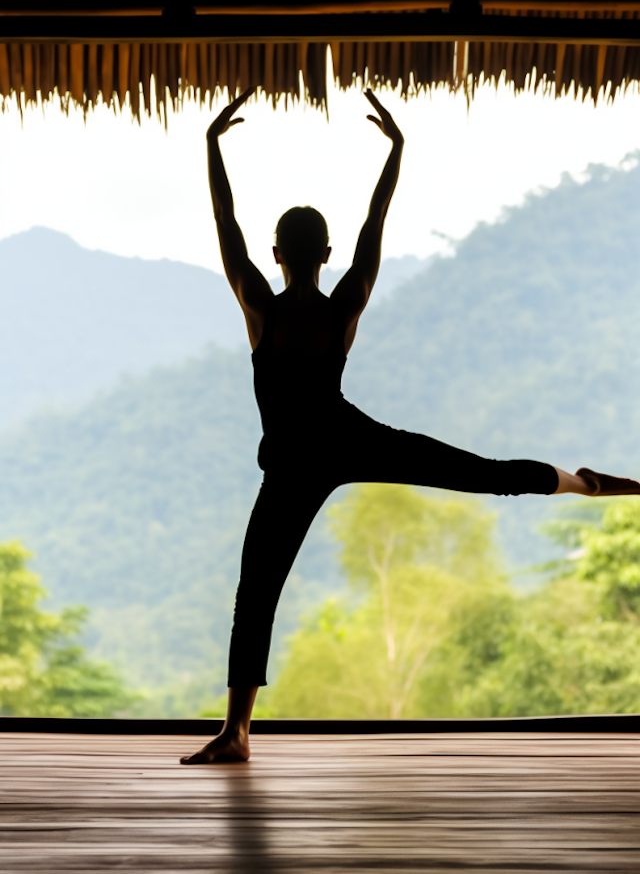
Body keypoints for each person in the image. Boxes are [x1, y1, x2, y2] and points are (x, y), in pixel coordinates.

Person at [180, 86, 640, 764]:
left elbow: (225, 222)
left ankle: (238, 733)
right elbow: (375, 224)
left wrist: (212, 147)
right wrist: (394, 152)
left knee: (256, 596)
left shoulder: (260, 307)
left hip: (291, 465)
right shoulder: (345, 305)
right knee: (479, 475)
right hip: (347, 436)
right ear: (325, 252)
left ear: (275, 255)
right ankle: (580, 483)